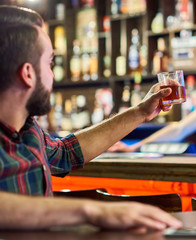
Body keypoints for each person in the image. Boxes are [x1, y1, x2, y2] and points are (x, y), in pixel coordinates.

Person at [0, 6, 182, 231]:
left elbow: (67, 153)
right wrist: (92, 211)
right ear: (28, 74)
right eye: (49, 63)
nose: (52, 75)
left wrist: (141, 112)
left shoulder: (29, 130)